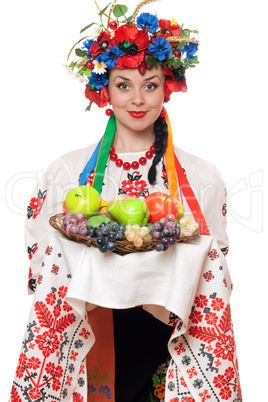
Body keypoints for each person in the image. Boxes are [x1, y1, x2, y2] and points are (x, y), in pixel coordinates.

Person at [9, 1, 242, 401]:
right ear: (105, 90)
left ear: (166, 89)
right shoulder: (66, 172)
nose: (137, 99)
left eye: (149, 85)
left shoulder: (202, 176)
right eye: (124, 84)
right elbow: (42, 261)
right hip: (94, 325)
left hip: (170, 330)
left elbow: (214, 262)